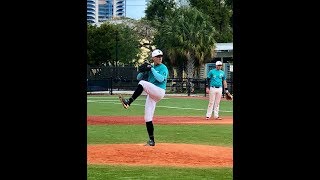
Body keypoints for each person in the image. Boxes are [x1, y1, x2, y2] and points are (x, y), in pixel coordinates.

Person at [118, 49, 169, 146]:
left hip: (159, 91)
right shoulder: (151, 67)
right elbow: (138, 78)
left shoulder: (163, 68)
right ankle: (152, 140)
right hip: (152, 94)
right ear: (153, 58)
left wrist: (151, 69)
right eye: (158, 56)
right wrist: (142, 71)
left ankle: (128, 102)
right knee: (147, 118)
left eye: (161, 56)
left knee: (142, 83)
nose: (160, 58)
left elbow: (161, 79)